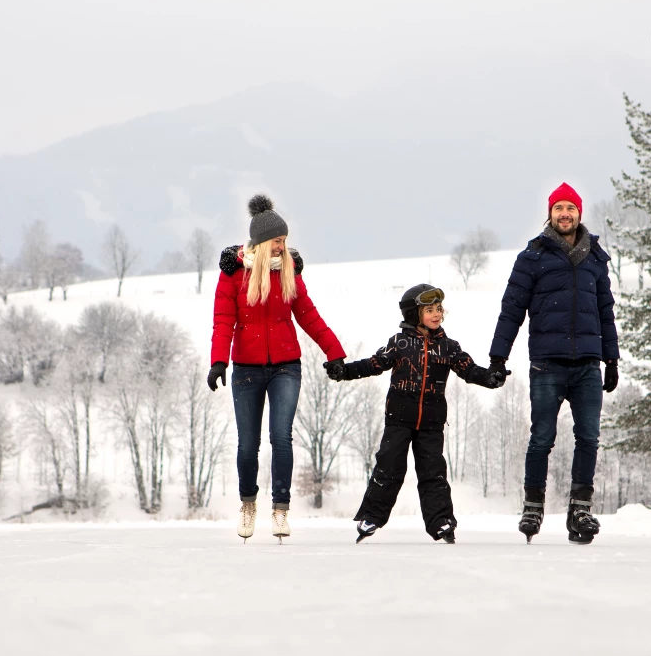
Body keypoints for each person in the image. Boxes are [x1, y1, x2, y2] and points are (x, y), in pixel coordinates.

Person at [486, 182, 620, 544]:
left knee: (588, 437)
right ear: (550, 213)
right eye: (558, 208)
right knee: (541, 438)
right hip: (547, 364)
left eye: (570, 208)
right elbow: (511, 310)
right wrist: (498, 356)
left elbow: (605, 312)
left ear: (579, 213)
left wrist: (612, 358)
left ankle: (580, 509)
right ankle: (533, 504)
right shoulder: (533, 257)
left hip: (588, 365)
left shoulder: (595, 258)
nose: (565, 214)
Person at [209, 194, 346, 542]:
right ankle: (248, 504)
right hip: (246, 370)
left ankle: (281, 510)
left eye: (284, 241)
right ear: (261, 241)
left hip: (286, 366)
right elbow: (223, 320)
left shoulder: (289, 272)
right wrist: (217, 362)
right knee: (247, 444)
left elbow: (309, 316)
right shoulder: (234, 274)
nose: (281, 247)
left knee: (281, 438)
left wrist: (334, 353)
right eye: (276, 241)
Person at [326, 284, 504, 543]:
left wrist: (490, 377)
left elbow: (469, 370)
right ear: (413, 314)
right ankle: (372, 517)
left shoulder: (449, 347)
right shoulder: (399, 343)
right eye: (429, 310)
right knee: (389, 467)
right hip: (398, 419)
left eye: (439, 309)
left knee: (433, 472)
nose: (437, 314)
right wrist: (345, 371)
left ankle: (441, 522)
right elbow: (374, 364)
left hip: (431, 423)